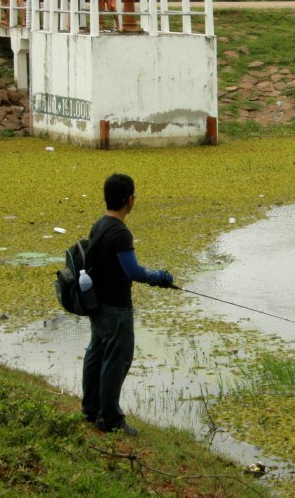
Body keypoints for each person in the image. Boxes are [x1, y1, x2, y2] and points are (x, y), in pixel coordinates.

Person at [81, 174, 174, 435]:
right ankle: (110, 419)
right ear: (128, 200)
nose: (134, 200)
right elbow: (133, 271)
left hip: (97, 305)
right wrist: (160, 278)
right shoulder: (120, 233)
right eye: (134, 196)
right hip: (116, 309)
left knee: (96, 354)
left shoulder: (99, 225)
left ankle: (90, 409)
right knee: (116, 361)